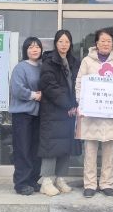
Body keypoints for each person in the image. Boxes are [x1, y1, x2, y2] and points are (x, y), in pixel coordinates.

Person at [75, 29, 113, 198]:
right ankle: (90, 184)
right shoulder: (87, 61)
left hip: (111, 113)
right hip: (91, 114)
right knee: (90, 151)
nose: (105, 44)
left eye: (108, 41)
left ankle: (106, 183)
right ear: (96, 43)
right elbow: (79, 83)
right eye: (102, 40)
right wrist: (82, 103)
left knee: (109, 152)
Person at [37, 30, 80, 196]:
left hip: (69, 112)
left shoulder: (74, 62)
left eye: (67, 41)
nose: (64, 45)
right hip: (53, 111)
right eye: (61, 41)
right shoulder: (49, 62)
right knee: (51, 146)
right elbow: (50, 86)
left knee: (65, 145)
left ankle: (60, 178)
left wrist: (75, 104)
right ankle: (46, 181)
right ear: (56, 43)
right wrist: (68, 104)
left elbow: (78, 84)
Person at [9, 36, 43, 195]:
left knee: (35, 149)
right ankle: (21, 183)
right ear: (25, 50)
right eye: (31, 47)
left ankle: (32, 180)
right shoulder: (20, 67)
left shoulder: (42, 67)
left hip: (38, 114)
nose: (34, 50)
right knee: (23, 149)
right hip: (22, 114)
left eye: (37, 47)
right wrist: (34, 95)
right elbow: (16, 89)